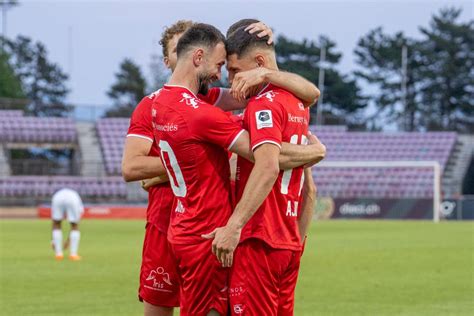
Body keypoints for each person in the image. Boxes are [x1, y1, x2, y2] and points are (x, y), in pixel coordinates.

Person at [121, 20, 321, 316]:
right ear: (192, 56)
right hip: (191, 225)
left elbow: (309, 93)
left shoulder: (179, 102)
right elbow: (265, 158)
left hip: (186, 224)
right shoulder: (199, 113)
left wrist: (265, 67)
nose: (221, 74)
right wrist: (314, 151)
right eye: (219, 65)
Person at [207, 19, 326, 315]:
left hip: (259, 239)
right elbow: (309, 187)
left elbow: (268, 166)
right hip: (288, 242)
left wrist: (234, 227)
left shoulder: (264, 104)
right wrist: (298, 240)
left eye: (234, 70)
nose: (230, 79)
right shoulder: (298, 103)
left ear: (259, 63)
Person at [50, 188, 84, 261]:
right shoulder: (76, 196)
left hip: (57, 197)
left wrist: (53, 240)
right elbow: (75, 224)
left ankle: (58, 254)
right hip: (72, 199)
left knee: (57, 223)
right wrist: (68, 241)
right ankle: (73, 254)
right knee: (74, 225)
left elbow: (54, 222)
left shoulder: (57, 194)